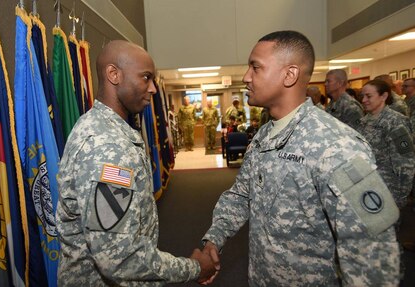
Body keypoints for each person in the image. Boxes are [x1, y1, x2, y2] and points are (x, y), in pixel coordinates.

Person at [201, 30, 400, 286]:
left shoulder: (337, 145)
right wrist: (214, 238)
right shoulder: (265, 135)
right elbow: (241, 195)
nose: (246, 77)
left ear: (290, 74)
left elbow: (374, 251)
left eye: (255, 67)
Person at [56, 40, 217, 286]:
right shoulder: (107, 146)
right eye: (145, 77)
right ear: (113, 74)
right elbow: (118, 258)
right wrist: (195, 268)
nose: (153, 88)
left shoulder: (103, 127)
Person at [356, 79, 414, 210]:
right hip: (368, 186)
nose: (364, 100)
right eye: (362, 96)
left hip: (389, 190)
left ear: (384, 96)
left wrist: (400, 197)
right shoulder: (364, 121)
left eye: (369, 96)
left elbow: (406, 163)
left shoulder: (395, 122)